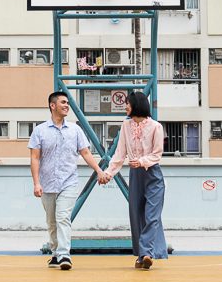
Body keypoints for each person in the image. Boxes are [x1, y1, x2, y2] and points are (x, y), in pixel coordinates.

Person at [29, 91, 107, 270]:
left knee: (63, 217)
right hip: (47, 183)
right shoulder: (40, 131)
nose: (66, 105)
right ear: (52, 105)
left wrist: (98, 170)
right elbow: (35, 158)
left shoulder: (75, 130)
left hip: (69, 182)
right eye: (63, 102)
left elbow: (86, 153)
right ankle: (56, 253)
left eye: (68, 103)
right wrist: (36, 183)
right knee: (51, 222)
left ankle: (64, 255)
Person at [101, 92, 168, 270]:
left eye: (128, 104)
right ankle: (142, 255)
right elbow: (120, 153)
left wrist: (141, 161)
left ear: (137, 105)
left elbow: (157, 154)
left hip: (152, 174)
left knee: (151, 215)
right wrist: (109, 173)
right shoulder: (125, 125)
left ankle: (147, 253)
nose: (125, 107)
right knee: (136, 215)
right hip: (135, 175)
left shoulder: (156, 127)